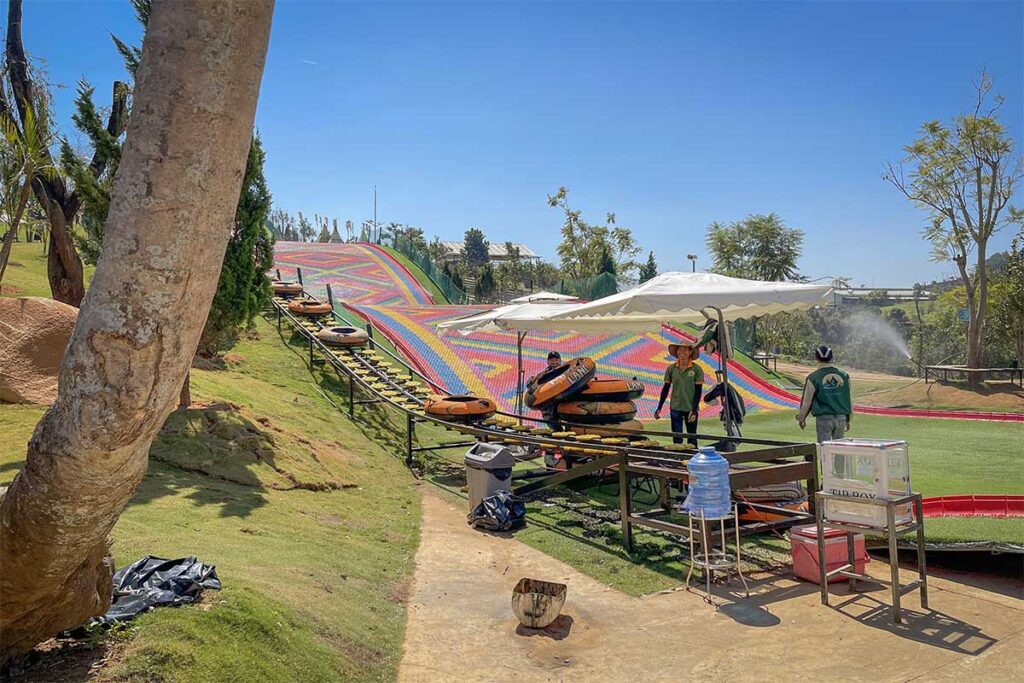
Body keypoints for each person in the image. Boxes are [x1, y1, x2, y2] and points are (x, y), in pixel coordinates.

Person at [796, 345, 852, 442]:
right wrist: (848, 418)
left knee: (824, 449)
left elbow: (807, 401)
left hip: (824, 418)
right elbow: (847, 399)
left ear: (816, 358)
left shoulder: (813, 377)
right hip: (841, 417)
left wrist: (802, 418)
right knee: (839, 449)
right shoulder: (844, 376)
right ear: (831, 358)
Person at [653, 340, 704, 446]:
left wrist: (694, 410)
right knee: (677, 437)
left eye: (685, 349)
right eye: (679, 349)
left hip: (690, 407)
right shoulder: (671, 368)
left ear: (690, 352)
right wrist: (659, 407)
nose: (681, 352)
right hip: (675, 407)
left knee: (692, 436)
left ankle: (692, 460)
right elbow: (665, 389)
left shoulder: (697, 369)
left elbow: (698, 392)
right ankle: (678, 460)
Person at [704, 378, 745, 451]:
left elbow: (707, 398)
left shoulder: (723, 388)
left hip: (734, 415)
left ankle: (732, 444)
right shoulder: (726, 389)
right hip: (734, 413)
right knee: (732, 434)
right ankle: (732, 444)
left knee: (732, 433)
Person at [535, 350, 563, 430]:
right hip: (550, 404)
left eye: (556, 360)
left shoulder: (566, 371)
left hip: (564, 400)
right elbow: (533, 383)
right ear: (548, 361)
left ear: (560, 360)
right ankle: (559, 434)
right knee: (549, 419)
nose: (554, 362)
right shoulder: (543, 374)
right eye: (551, 360)